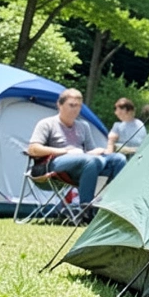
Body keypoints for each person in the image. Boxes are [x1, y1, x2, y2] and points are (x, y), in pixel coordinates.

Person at [28, 88, 126, 219]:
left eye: (79, 106)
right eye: (71, 105)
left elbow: (89, 152)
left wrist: (97, 151)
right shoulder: (47, 124)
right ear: (60, 105)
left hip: (83, 164)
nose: (75, 109)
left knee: (119, 159)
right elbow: (33, 149)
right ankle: (85, 210)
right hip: (55, 164)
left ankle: (110, 205)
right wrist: (63, 151)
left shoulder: (83, 126)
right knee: (93, 161)